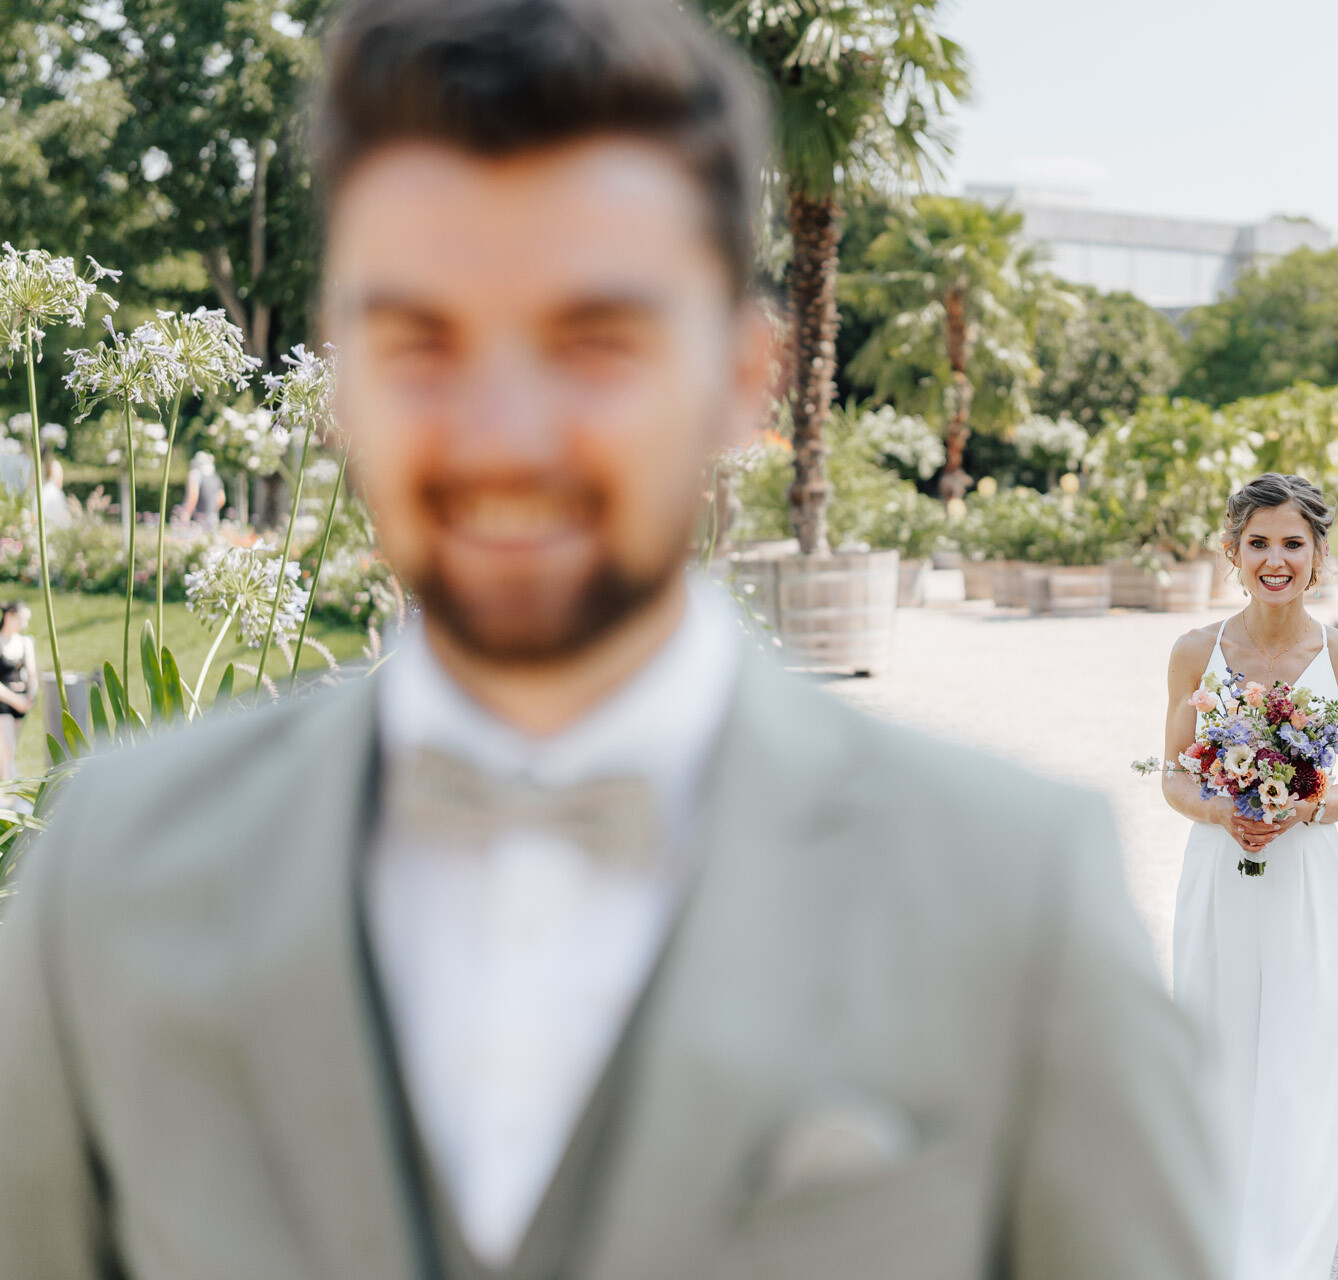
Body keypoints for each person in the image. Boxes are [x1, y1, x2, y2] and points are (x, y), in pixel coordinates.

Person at [0, 3, 1225, 1279]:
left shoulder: (1014, 895)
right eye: (423, 340)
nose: (504, 432)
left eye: (594, 341)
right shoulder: (113, 870)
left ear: (743, 377)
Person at [1161, 474, 1338, 1280]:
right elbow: (1173, 775)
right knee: (1216, 1052)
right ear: (1233, 550)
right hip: (1220, 876)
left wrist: (1305, 806)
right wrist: (1221, 809)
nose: (1275, 560)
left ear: (1318, 553)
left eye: (1293, 543)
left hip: (1305, 880)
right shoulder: (1195, 652)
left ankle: (1287, 1260)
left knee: (1302, 1062)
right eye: (1258, 543)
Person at [0, 603, 37, 783]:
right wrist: (15, 700)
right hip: (3, 701)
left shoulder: (25, 642)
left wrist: (30, 696)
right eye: (21, 619)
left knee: (10, 748)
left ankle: (7, 786)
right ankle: (11, 791)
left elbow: (32, 673)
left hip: (21, 700)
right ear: (9, 616)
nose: (24, 624)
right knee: (7, 749)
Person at [176, 450, 225, 526]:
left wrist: (187, 513)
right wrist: (211, 510)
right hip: (213, 518)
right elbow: (222, 498)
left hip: (197, 520)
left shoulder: (195, 475)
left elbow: (193, 495)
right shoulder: (216, 478)